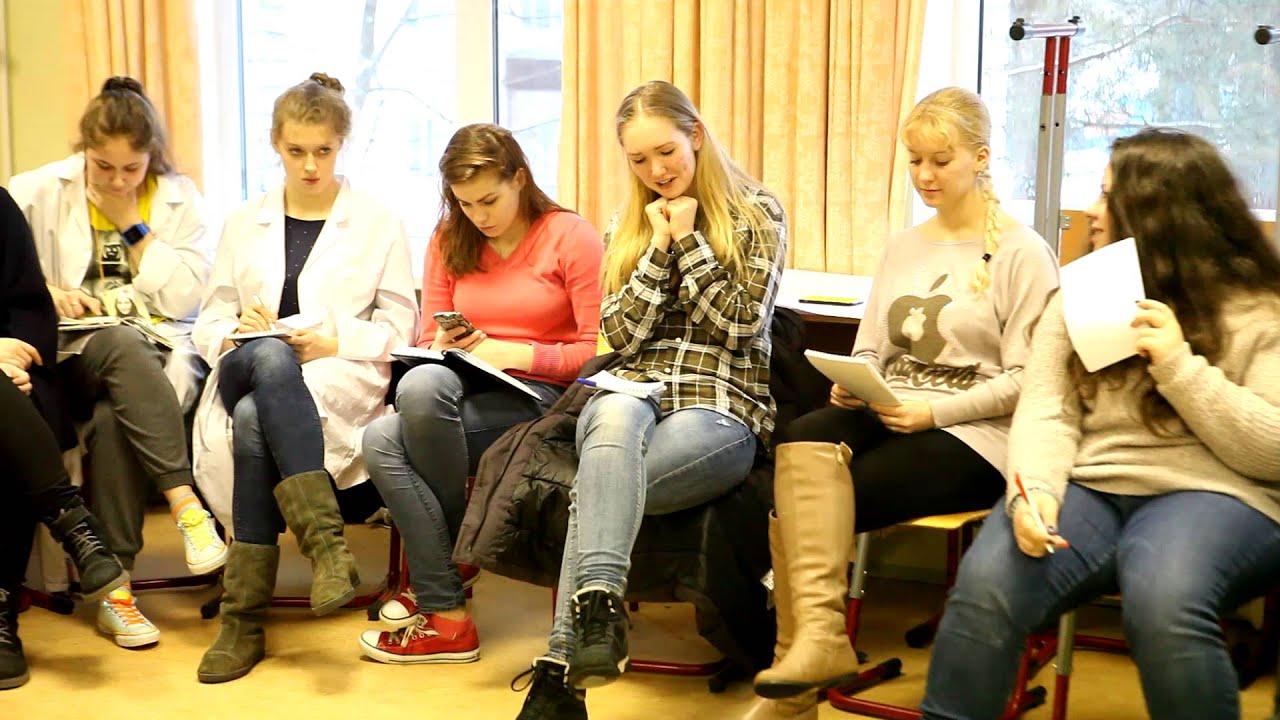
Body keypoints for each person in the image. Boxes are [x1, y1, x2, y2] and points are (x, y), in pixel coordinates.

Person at [918, 128, 1280, 720]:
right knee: (987, 585)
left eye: (1108, 195)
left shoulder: (1259, 307)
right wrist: (1032, 495)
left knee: (1164, 598)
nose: (1091, 209)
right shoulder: (1082, 295)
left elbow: (1273, 452)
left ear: (1161, 212)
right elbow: (1046, 409)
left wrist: (1179, 365)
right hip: (1092, 487)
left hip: (1217, 493)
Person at [746, 87, 1059, 718]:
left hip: (977, 432)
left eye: (940, 161)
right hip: (893, 409)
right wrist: (852, 381)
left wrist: (933, 413)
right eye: (914, 160)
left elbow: (1031, 380)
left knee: (825, 494)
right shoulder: (903, 246)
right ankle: (817, 646)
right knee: (799, 439)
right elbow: (871, 350)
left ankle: (800, 677)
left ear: (980, 157)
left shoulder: (1023, 253)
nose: (924, 175)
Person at [512, 80, 787, 719]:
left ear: (696, 137)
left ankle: (560, 677)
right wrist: (658, 248)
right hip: (631, 390)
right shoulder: (629, 224)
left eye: (666, 152)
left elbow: (741, 327)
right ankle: (599, 620)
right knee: (611, 421)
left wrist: (689, 240)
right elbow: (621, 335)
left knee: (597, 490)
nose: (657, 171)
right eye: (639, 160)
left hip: (719, 404)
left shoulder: (757, 212)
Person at [191, 72, 417, 684]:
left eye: (324, 150)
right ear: (276, 144)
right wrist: (237, 325)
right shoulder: (245, 220)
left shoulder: (378, 221)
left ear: (342, 144)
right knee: (267, 356)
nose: (311, 165)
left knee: (251, 419)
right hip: (244, 362)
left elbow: (402, 325)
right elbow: (209, 319)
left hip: (335, 372)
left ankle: (242, 619)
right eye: (296, 151)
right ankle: (327, 548)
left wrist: (334, 343)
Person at [356, 124, 603, 664]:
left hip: (543, 398)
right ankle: (455, 572)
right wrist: (442, 344)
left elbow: (598, 350)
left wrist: (515, 353)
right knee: (417, 386)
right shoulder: (450, 237)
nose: (479, 216)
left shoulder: (570, 236)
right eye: (465, 204)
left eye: (489, 200)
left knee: (382, 440)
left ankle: (443, 600)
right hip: (460, 389)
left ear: (520, 179)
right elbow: (427, 336)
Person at [8, 76, 224, 649]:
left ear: (152, 156)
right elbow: (8, 274)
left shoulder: (179, 197)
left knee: (114, 416)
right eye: (103, 166)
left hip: (150, 363)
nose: (117, 179)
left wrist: (133, 223)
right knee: (120, 345)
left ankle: (116, 592)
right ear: (84, 150)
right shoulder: (36, 190)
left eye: (132, 168)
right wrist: (44, 291)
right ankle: (186, 505)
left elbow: (187, 297)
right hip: (66, 357)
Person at [0, 184, 128, 689]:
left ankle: (1, 606)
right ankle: (75, 525)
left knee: (13, 417)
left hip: (10, 378)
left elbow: (30, 306)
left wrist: (12, 355)